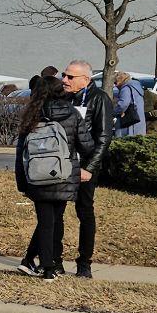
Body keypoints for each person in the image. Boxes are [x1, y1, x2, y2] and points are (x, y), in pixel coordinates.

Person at [14, 76, 94, 282]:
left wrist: (21, 183)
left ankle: (40, 265)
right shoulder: (72, 113)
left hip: (36, 175)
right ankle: (46, 267)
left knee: (45, 222)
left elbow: (20, 153)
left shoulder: (31, 115)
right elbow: (87, 146)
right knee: (53, 220)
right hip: (63, 175)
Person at [48, 60, 110, 278]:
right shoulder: (61, 97)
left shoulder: (99, 98)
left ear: (85, 80)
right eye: (64, 75)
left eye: (69, 77)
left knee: (85, 212)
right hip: (61, 164)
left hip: (84, 166)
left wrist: (89, 168)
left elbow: (103, 138)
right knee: (56, 212)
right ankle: (55, 261)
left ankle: (84, 263)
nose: (64, 80)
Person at [113, 71, 147, 139]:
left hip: (130, 124)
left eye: (115, 82)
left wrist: (113, 112)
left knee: (126, 142)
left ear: (120, 80)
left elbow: (123, 104)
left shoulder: (126, 88)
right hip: (138, 121)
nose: (115, 85)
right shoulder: (136, 87)